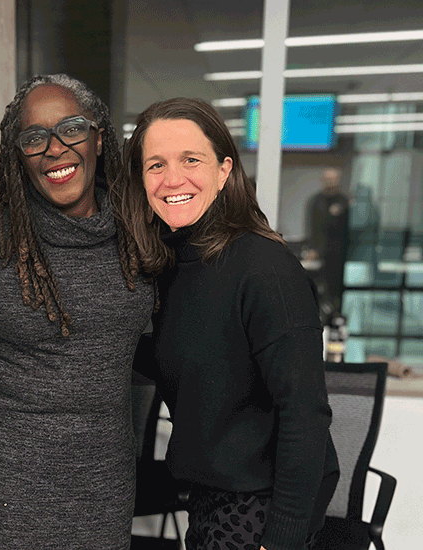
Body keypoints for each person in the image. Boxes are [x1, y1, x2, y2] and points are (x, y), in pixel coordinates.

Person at [0, 74, 153, 549]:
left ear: (98, 136)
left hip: (103, 474)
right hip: (2, 474)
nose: (55, 148)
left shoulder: (140, 232)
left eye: (71, 128)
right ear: (18, 155)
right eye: (34, 138)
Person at [111, 98, 339, 550]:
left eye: (190, 159)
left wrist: (281, 542)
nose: (172, 179)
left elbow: (305, 415)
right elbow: (202, 366)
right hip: (208, 500)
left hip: (263, 509)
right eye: (155, 164)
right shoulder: (174, 264)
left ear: (223, 170)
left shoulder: (264, 267)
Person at [306, 167, 350, 319]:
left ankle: (335, 316)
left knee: (336, 289)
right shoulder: (316, 201)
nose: (330, 182)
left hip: (339, 254)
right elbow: (312, 227)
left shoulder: (344, 202)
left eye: (333, 178)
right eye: (328, 178)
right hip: (319, 253)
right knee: (319, 288)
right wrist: (313, 248)